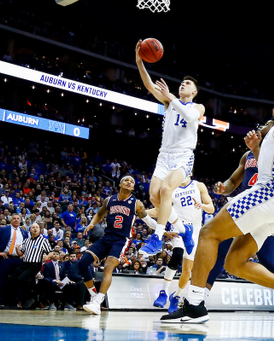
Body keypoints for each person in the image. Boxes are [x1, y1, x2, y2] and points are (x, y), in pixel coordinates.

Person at [161, 91, 274, 324]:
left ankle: (194, 304)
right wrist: (256, 148)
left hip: (269, 194)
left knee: (208, 233)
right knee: (234, 263)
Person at [136, 41, 205, 257]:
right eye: (182, 83)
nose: (183, 84)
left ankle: (156, 238)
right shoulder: (168, 102)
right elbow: (149, 85)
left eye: (187, 84)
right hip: (164, 155)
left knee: (166, 190)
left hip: (183, 156)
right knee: (155, 198)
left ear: (194, 91)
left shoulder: (197, 106)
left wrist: (171, 97)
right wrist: (139, 61)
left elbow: (190, 116)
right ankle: (185, 230)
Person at [79, 175, 158, 315]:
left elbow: (147, 220)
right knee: (83, 262)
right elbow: (100, 214)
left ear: (133, 187)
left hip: (121, 240)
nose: (129, 182)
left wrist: (162, 229)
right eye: (126, 180)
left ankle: (98, 302)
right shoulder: (109, 200)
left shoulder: (136, 203)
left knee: (108, 267)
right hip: (106, 237)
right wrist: (92, 224)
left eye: (132, 182)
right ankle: (93, 295)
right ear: (120, 184)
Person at [153, 176, 214, 313]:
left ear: (190, 171)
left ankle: (176, 297)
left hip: (195, 230)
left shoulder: (199, 185)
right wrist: (142, 213)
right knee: (177, 254)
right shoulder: (170, 188)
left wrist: (202, 206)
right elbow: (160, 209)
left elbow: (211, 208)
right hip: (179, 227)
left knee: (187, 271)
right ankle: (163, 292)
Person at [10, 222, 52, 309]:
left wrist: (47, 256)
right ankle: (25, 298)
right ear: (30, 229)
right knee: (12, 278)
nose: (35, 229)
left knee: (21, 278)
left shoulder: (43, 240)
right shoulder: (26, 240)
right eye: (33, 227)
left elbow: (50, 252)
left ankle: (26, 298)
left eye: (37, 227)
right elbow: (20, 253)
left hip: (35, 265)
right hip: (25, 264)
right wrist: (17, 249)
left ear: (40, 230)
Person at [0, 213, 29, 308]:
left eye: (18, 219)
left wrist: (24, 254)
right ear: (10, 220)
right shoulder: (4, 229)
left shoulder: (24, 232)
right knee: (1, 280)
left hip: (18, 259)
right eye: (14, 218)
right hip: (6, 258)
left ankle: (14, 302)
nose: (16, 220)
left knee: (17, 281)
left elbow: (26, 245)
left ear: (20, 220)